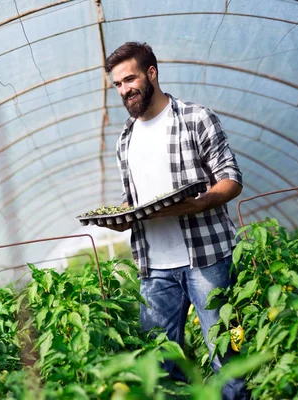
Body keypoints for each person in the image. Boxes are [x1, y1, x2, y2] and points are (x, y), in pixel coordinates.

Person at [103, 42, 249, 399]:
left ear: (151, 73)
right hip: (154, 268)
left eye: (130, 79)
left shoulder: (195, 118)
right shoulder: (125, 138)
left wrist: (200, 203)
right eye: (118, 85)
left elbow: (231, 177)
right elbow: (133, 199)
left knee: (228, 357)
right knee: (159, 364)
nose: (125, 90)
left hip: (208, 259)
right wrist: (121, 218)